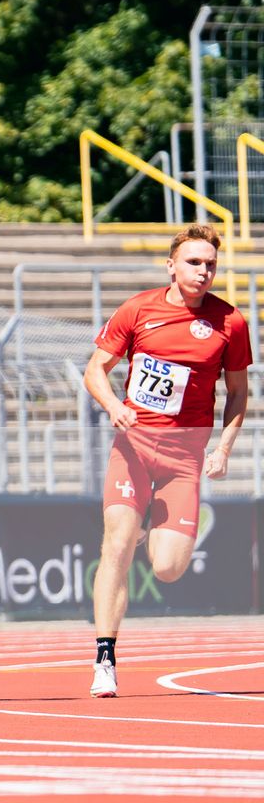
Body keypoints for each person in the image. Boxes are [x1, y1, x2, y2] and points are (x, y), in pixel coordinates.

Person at [82, 224, 247, 699]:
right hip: (134, 448)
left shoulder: (230, 322)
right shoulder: (138, 310)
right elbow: (95, 369)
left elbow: (238, 393)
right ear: (171, 265)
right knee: (115, 543)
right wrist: (115, 407)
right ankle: (105, 659)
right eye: (194, 262)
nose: (203, 271)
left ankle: (151, 525)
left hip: (184, 459)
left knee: (168, 567)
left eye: (211, 264)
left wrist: (223, 449)